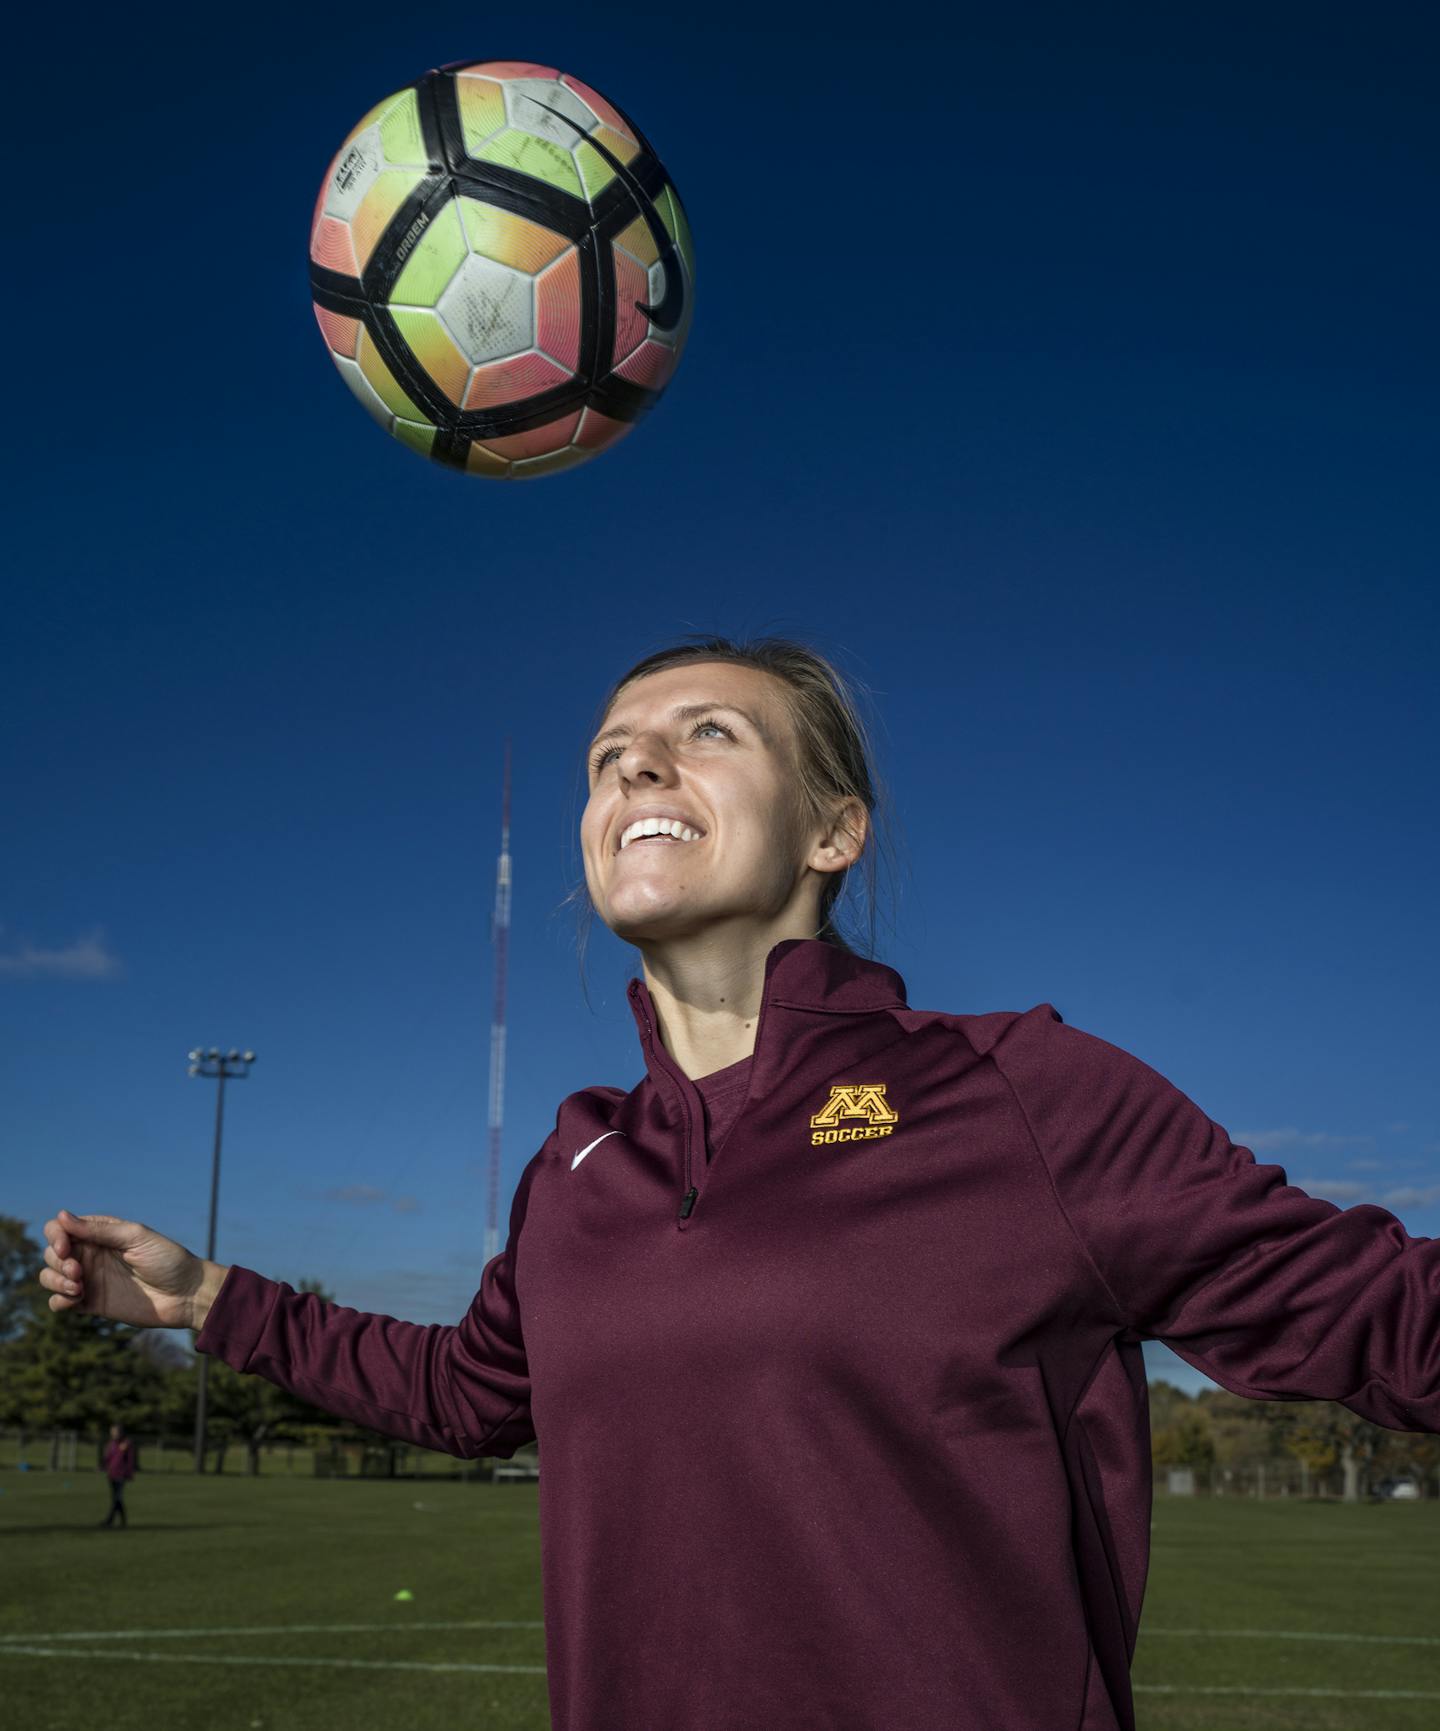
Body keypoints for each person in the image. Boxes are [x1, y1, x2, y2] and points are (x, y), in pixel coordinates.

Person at [38, 636, 1440, 1730]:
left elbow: (1385, 1315)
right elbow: (468, 1392)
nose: (637, 769)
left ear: (835, 830)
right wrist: (208, 1297)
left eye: (705, 734)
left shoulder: (1019, 1093)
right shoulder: (579, 1160)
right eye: (608, 755)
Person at [100, 1423, 134, 1528]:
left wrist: (129, 1473)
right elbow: (108, 1458)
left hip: (121, 1474)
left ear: (121, 1432)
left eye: (115, 1432)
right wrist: (103, 1466)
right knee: (116, 1499)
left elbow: (130, 1460)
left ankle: (110, 1520)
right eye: (112, 1432)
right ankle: (123, 1522)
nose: (113, 1434)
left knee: (117, 1498)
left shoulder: (126, 1443)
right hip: (112, 1474)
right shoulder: (112, 1444)